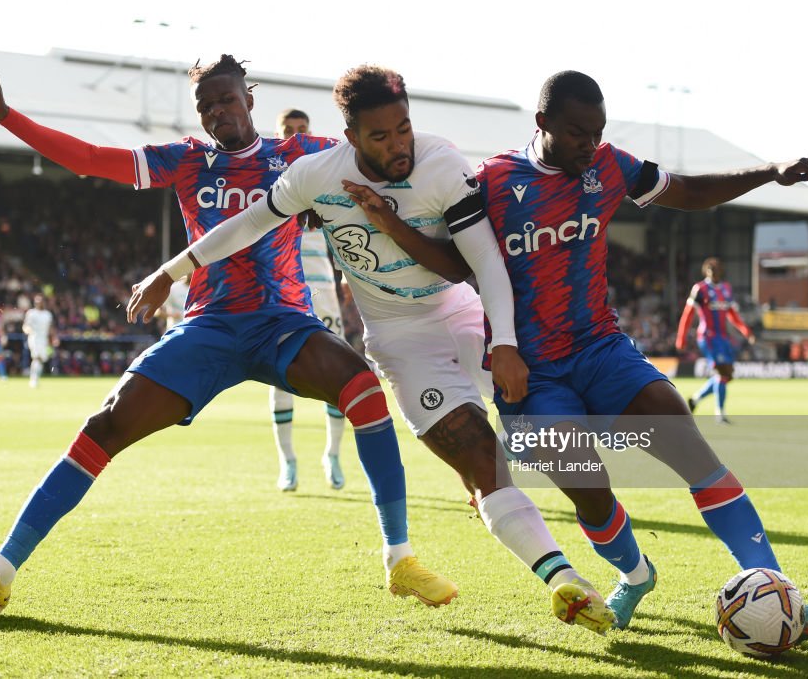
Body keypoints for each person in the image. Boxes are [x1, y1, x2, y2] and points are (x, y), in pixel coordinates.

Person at [0, 58, 456, 614]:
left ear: (249, 98)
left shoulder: (299, 153)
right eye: (205, 106)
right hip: (210, 326)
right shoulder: (185, 160)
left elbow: (380, 152)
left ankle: (400, 559)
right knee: (105, 424)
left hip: (284, 324)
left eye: (225, 99)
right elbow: (88, 159)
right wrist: (6, 115)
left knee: (363, 390)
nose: (216, 112)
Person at [129, 65, 618, 635]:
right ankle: (563, 581)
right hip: (399, 342)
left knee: (544, 436)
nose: (398, 145)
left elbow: (485, 262)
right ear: (351, 137)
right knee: (478, 460)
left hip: (461, 313)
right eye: (381, 136)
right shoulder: (316, 175)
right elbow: (248, 223)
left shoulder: (441, 163)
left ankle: (626, 557)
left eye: (404, 128)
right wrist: (174, 269)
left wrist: (505, 343)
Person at [475, 69, 808, 642]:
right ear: (542, 125)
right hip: (530, 371)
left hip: (599, 347)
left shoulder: (610, 165)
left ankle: (783, 598)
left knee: (685, 436)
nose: (591, 143)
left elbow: (692, 192)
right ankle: (636, 576)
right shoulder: (492, 182)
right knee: (588, 487)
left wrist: (770, 172)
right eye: (578, 132)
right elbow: (450, 254)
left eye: (598, 131)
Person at [270, 109, 346, 492]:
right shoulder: (268, 179)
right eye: (289, 131)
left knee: (336, 376)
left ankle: (332, 454)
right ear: (278, 135)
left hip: (323, 295)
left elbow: (341, 231)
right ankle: (288, 462)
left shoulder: (323, 176)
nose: (297, 135)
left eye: (303, 129)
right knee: (281, 377)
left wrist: (348, 274)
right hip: (283, 295)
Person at [675, 257, 755, 423]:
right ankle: (720, 413)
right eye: (710, 270)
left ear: (721, 271)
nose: (714, 273)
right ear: (706, 272)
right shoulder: (700, 289)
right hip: (708, 337)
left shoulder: (726, 289)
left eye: (716, 270)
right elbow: (687, 315)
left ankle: (695, 399)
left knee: (726, 375)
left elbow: (733, 315)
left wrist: (746, 331)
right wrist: (681, 338)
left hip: (723, 337)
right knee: (721, 373)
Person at [22, 293, 59, 388]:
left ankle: (36, 377)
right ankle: (33, 380)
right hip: (34, 338)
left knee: (42, 359)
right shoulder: (31, 313)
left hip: (44, 340)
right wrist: (27, 330)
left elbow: (51, 327)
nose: (39, 303)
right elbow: (26, 326)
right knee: (36, 357)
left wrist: (54, 338)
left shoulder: (47, 314)